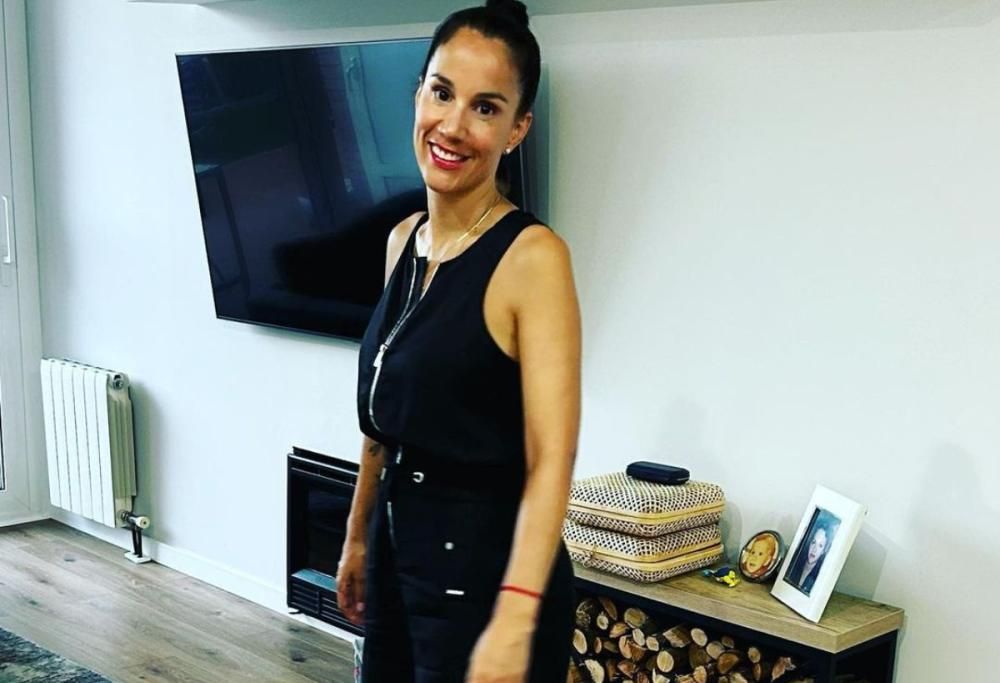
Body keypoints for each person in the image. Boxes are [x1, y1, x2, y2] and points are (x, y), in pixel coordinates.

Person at [337, 1, 582, 681]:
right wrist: (357, 536)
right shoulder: (402, 241)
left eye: (486, 107)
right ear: (418, 93)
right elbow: (383, 425)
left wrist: (515, 618)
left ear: (517, 129)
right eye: (442, 93)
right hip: (398, 553)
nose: (452, 126)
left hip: (488, 577)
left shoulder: (533, 258)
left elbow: (552, 457)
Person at [786, 522, 834, 595]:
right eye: (813, 542)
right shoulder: (795, 563)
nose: (814, 549)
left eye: (820, 546)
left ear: (823, 551)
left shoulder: (820, 577)